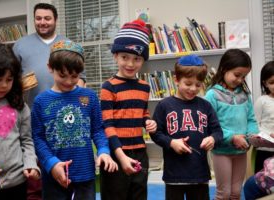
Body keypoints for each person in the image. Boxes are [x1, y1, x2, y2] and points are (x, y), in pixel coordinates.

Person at [31, 40, 118, 200]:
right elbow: (38, 138)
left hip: (85, 174)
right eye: (62, 75)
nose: (69, 81)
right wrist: (51, 163)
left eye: (74, 76)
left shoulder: (89, 97)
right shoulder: (40, 101)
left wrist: (103, 151)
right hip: (53, 176)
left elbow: (98, 130)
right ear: (50, 67)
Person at [150, 54, 223, 200]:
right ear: (176, 80)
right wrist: (171, 142)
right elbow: (156, 133)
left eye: (198, 84)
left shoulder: (206, 106)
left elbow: (218, 131)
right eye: (188, 84)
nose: (193, 89)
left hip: (199, 175)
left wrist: (212, 139)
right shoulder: (164, 105)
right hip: (174, 175)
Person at [100, 19, 157, 200]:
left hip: (140, 152)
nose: (130, 64)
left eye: (137, 59)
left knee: (139, 195)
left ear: (143, 60)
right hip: (117, 153)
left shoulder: (145, 87)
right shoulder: (108, 87)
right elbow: (107, 125)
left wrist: (148, 121)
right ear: (115, 56)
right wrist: (121, 155)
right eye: (125, 57)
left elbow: (143, 113)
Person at [0, 42, 40, 200]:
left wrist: (31, 163)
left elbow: (26, 140)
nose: (4, 85)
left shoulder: (19, 105)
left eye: (9, 79)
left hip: (17, 184)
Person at [205, 48, 259, 200]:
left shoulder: (244, 95)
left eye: (244, 76)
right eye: (237, 75)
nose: (240, 80)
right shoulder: (212, 95)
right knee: (224, 193)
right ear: (224, 69)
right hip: (222, 151)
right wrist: (232, 137)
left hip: (241, 151)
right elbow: (210, 125)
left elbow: (251, 119)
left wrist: (252, 135)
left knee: (236, 192)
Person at [13, 3, 86, 108]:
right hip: (32, 110)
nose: (42, 22)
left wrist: (74, 102)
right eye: (38, 18)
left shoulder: (68, 44)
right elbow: (11, 76)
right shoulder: (20, 45)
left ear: (55, 20)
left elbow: (81, 77)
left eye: (47, 18)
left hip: (66, 108)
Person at [253, 61, 274, 173]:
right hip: (264, 150)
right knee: (262, 185)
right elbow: (255, 124)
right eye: (272, 82)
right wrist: (266, 136)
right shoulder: (262, 101)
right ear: (265, 84)